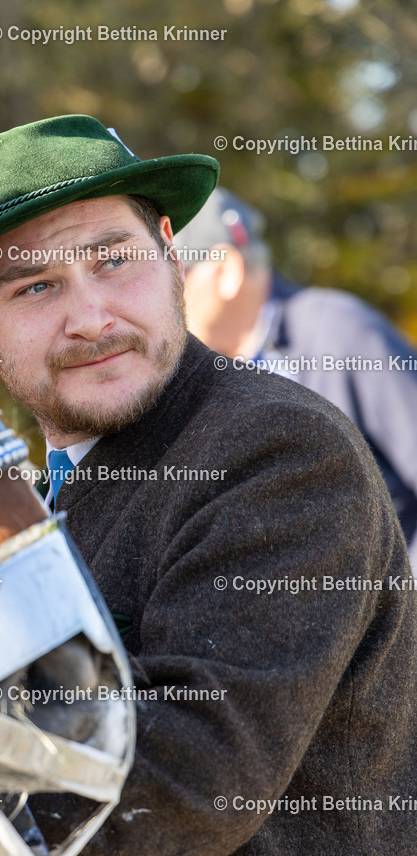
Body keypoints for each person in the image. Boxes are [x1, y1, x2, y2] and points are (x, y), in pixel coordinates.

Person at [0, 115, 416, 856]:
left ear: (170, 255)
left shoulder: (273, 450)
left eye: (112, 258)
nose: (90, 314)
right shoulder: (35, 506)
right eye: (35, 283)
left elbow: (181, 782)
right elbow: (36, 766)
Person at [173, 187, 417, 570]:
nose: (160, 300)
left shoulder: (339, 331)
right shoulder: (195, 384)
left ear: (226, 272)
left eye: (176, 277)